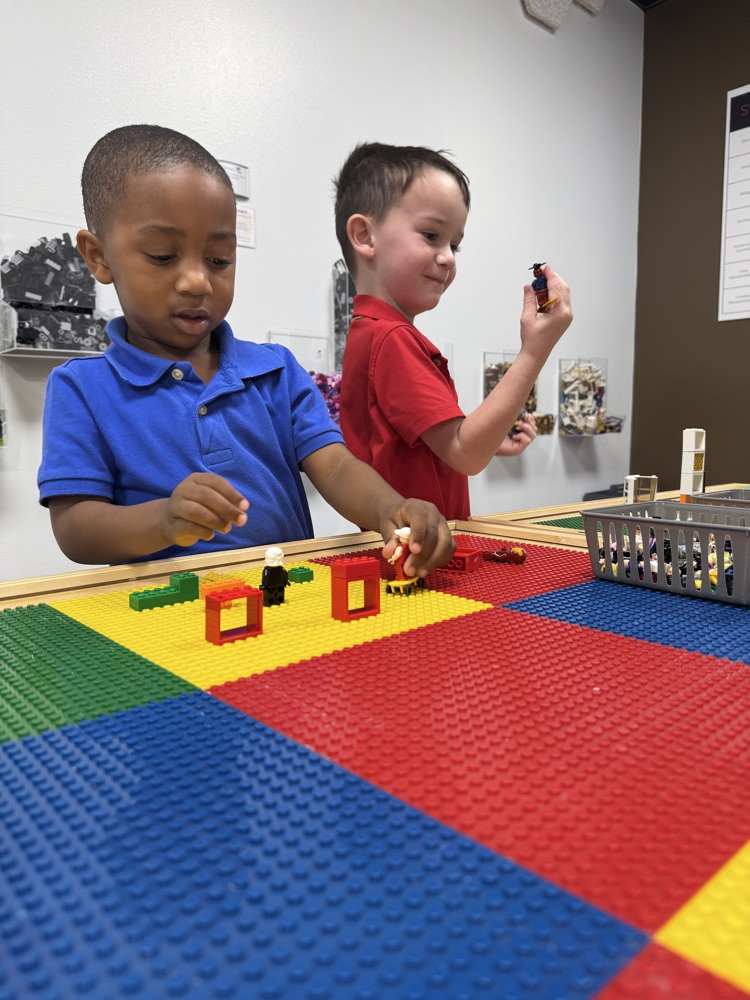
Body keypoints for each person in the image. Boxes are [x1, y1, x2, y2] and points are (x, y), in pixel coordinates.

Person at [37, 125, 454, 576]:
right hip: (165, 610)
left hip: (290, 596)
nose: (197, 281)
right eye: (162, 256)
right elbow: (75, 528)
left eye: (219, 260)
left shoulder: (276, 371)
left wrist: (390, 508)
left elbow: (335, 467)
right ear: (98, 257)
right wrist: (162, 521)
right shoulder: (81, 388)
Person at [333, 142, 573, 520]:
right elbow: (465, 452)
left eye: (454, 245)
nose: (447, 257)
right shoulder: (392, 340)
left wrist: (491, 441)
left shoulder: (368, 332)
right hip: (422, 550)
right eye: (431, 235)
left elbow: (420, 445)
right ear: (365, 236)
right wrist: (535, 350)